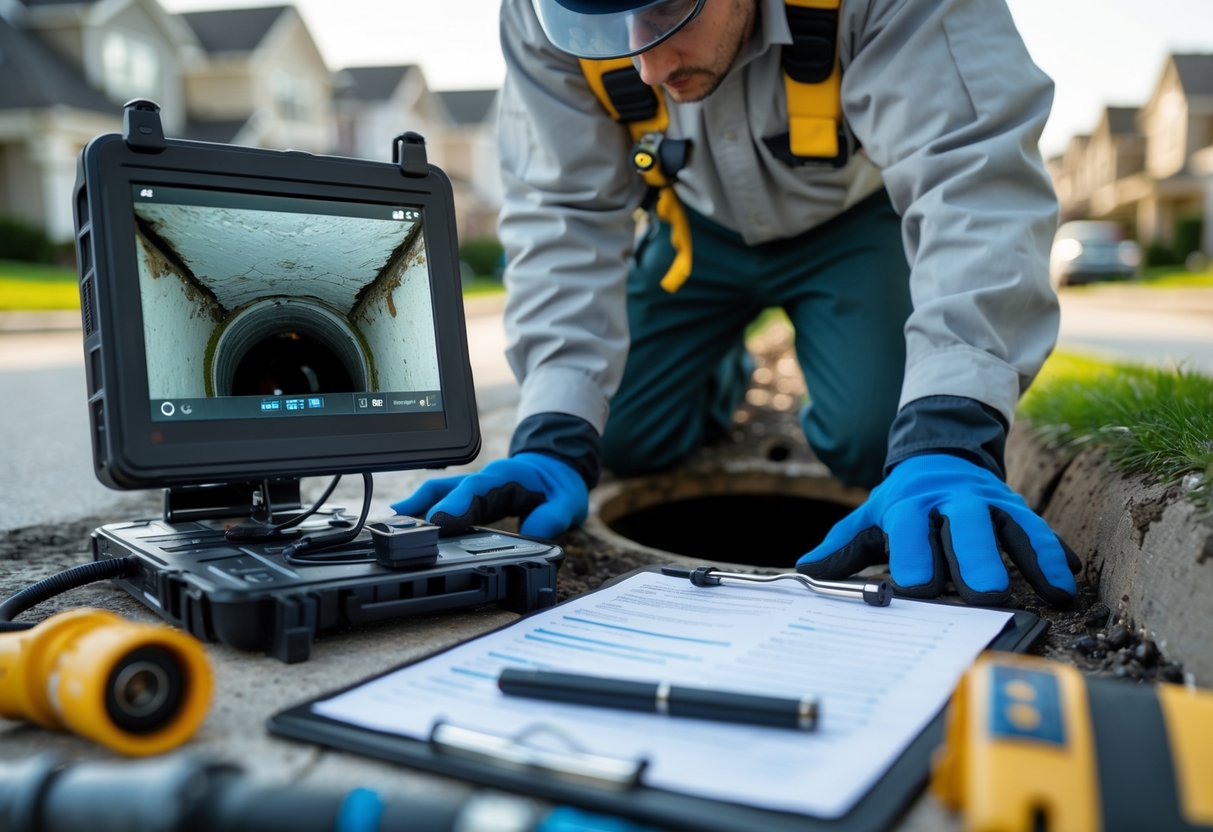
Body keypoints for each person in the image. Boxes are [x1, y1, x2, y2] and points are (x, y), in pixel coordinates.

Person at [393, 0, 1080, 606]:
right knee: (616, 435)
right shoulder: (542, 16)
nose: (647, 66)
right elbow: (561, 211)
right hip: (692, 232)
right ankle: (712, 370)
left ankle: (815, 365)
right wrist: (551, 433)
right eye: (601, 26)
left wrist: (952, 429)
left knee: (877, 441)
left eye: (665, 11)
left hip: (849, 223)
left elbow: (969, 175)